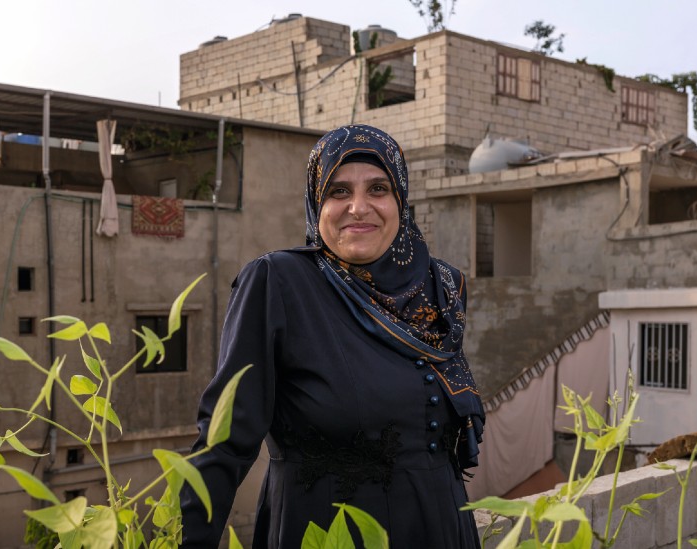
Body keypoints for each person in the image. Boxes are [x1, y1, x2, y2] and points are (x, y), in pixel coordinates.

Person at [181, 124, 486, 548]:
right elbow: (225, 439)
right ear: (315, 202)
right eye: (339, 192)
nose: (359, 207)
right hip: (326, 531)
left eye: (378, 188)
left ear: (401, 199)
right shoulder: (277, 282)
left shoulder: (443, 285)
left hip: (442, 530)